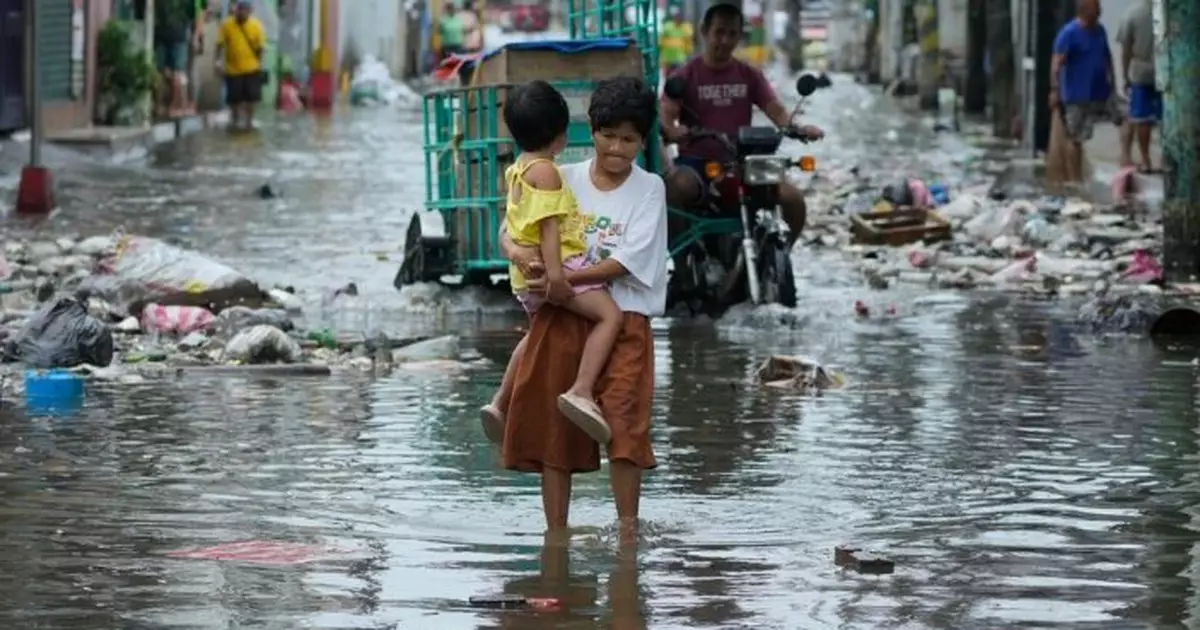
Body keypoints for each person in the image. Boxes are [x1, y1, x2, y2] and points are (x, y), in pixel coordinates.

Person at [493, 77, 666, 537]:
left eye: (628, 140)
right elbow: (510, 229)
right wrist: (520, 257)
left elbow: (625, 262)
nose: (616, 148)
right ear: (590, 130)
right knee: (556, 430)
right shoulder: (557, 175)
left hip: (625, 318)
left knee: (626, 426)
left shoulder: (650, 189)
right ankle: (556, 534)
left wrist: (563, 278)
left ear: (642, 141)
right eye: (608, 135)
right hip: (562, 316)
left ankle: (627, 530)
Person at [480, 80, 624, 443]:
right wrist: (559, 280)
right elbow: (549, 230)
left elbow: (514, 226)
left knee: (534, 336)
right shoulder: (546, 172)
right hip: (553, 271)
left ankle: (500, 402)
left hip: (523, 277)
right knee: (610, 316)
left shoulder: (517, 169)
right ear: (559, 135)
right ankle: (582, 389)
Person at [660, 3, 822, 245]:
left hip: (741, 164)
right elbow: (666, 114)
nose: (725, 41)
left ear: (739, 37)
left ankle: (777, 263)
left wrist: (798, 128)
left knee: (794, 200)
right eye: (719, 32)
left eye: (732, 34)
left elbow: (775, 109)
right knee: (675, 189)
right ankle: (684, 271)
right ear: (705, 32)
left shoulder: (749, 75)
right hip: (697, 164)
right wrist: (672, 132)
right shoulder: (684, 76)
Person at [1049, 0, 1115, 183]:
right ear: (1085, 13)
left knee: (1123, 119)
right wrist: (1055, 90)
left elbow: (1106, 56)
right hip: (1076, 96)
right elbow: (1056, 65)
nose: (1100, 14)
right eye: (1096, 11)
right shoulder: (1069, 34)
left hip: (1100, 92)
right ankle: (1075, 178)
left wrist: (1112, 82)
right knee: (1075, 138)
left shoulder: (1100, 30)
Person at [1116, 0, 1159, 173]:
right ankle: (1166, 159)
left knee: (1142, 119)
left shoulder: (1131, 15)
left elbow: (1126, 50)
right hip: (1164, 70)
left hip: (1140, 72)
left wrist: (1125, 76)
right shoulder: (1166, 13)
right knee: (1165, 118)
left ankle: (1145, 159)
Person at [215, 1, 267, 131]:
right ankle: (235, 119)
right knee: (234, 99)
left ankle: (249, 121)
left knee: (251, 98)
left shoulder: (256, 26)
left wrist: (260, 65)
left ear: (250, 11)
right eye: (240, 9)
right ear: (236, 10)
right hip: (233, 69)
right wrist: (217, 62)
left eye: (245, 10)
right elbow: (220, 44)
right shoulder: (227, 25)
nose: (242, 12)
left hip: (252, 68)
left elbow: (261, 48)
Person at [154, 0, 200, 117]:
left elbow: (197, 14)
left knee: (177, 74)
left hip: (178, 38)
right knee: (162, 73)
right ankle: (163, 105)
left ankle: (177, 106)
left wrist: (196, 36)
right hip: (161, 37)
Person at [659, 8, 693, 76]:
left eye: (679, 17)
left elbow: (689, 41)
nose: (678, 19)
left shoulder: (686, 27)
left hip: (680, 57)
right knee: (668, 76)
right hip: (668, 57)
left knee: (680, 75)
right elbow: (661, 39)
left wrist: (689, 52)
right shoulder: (668, 26)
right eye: (676, 17)